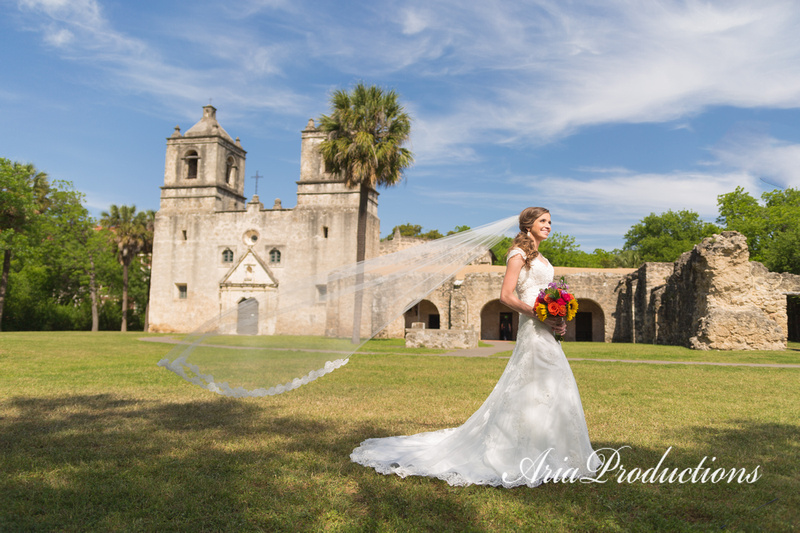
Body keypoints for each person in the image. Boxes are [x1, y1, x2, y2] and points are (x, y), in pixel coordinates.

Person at [350, 207, 601, 487]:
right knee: (532, 384)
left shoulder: (543, 258)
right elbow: (505, 296)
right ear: (528, 225)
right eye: (543, 221)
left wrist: (559, 319)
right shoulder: (517, 254)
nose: (549, 226)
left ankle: (556, 450)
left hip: (546, 328)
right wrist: (539, 314)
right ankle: (518, 451)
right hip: (532, 328)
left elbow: (548, 294)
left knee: (554, 385)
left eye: (550, 222)